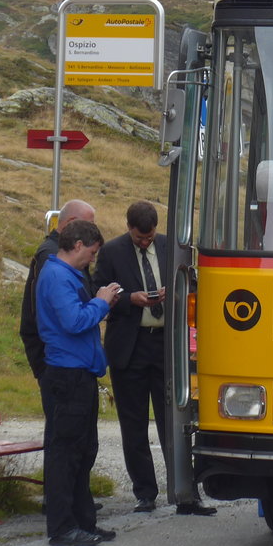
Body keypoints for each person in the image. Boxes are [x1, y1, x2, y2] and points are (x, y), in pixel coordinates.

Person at [95, 200, 215, 516]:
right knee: (133, 425)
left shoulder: (169, 246)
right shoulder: (111, 252)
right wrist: (128, 300)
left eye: (149, 238)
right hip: (130, 349)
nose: (145, 242)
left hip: (165, 347)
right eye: (139, 238)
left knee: (174, 423)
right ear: (128, 228)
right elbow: (98, 293)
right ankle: (145, 493)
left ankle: (185, 492)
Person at [36, 219, 121, 546]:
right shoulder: (57, 275)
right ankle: (61, 527)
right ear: (76, 245)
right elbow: (73, 322)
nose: (93, 259)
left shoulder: (68, 275)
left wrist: (101, 303)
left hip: (80, 372)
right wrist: (100, 301)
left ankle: (84, 521)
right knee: (66, 453)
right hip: (66, 374)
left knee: (84, 451)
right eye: (91, 252)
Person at [20, 199, 96, 380]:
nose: (93, 232)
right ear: (70, 223)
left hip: (71, 357)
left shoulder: (69, 251)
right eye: (89, 226)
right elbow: (52, 314)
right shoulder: (52, 255)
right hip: (57, 361)